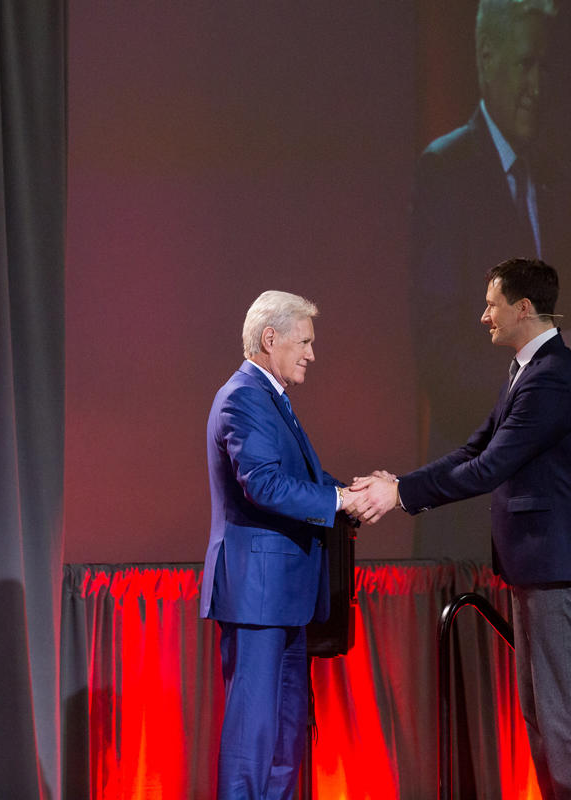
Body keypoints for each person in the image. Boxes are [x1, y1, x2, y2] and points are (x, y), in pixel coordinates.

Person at [351, 259, 571, 800]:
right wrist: (401, 484)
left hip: (556, 567)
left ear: (523, 308)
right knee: (542, 716)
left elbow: (491, 467)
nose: (483, 315)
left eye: (492, 304)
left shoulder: (552, 377)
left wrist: (401, 496)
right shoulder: (525, 371)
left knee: (562, 720)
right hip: (534, 565)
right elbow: (475, 449)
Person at [411, 0, 571, 555]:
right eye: (524, 65)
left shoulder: (557, 179)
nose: (537, 85)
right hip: (468, 501)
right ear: (486, 59)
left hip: (545, 506)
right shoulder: (446, 169)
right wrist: (527, 401)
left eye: (545, 67)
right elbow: (438, 349)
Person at [200, 290, 363, 800]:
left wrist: (353, 494)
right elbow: (264, 485)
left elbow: (301, 477)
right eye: (305, 342)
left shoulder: (271, 397)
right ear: (270, 339)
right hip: (258, 595)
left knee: (286, 736)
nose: (312, 354)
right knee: (255, 739)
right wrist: (338, 500)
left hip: (283, 598)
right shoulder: (244, 396)